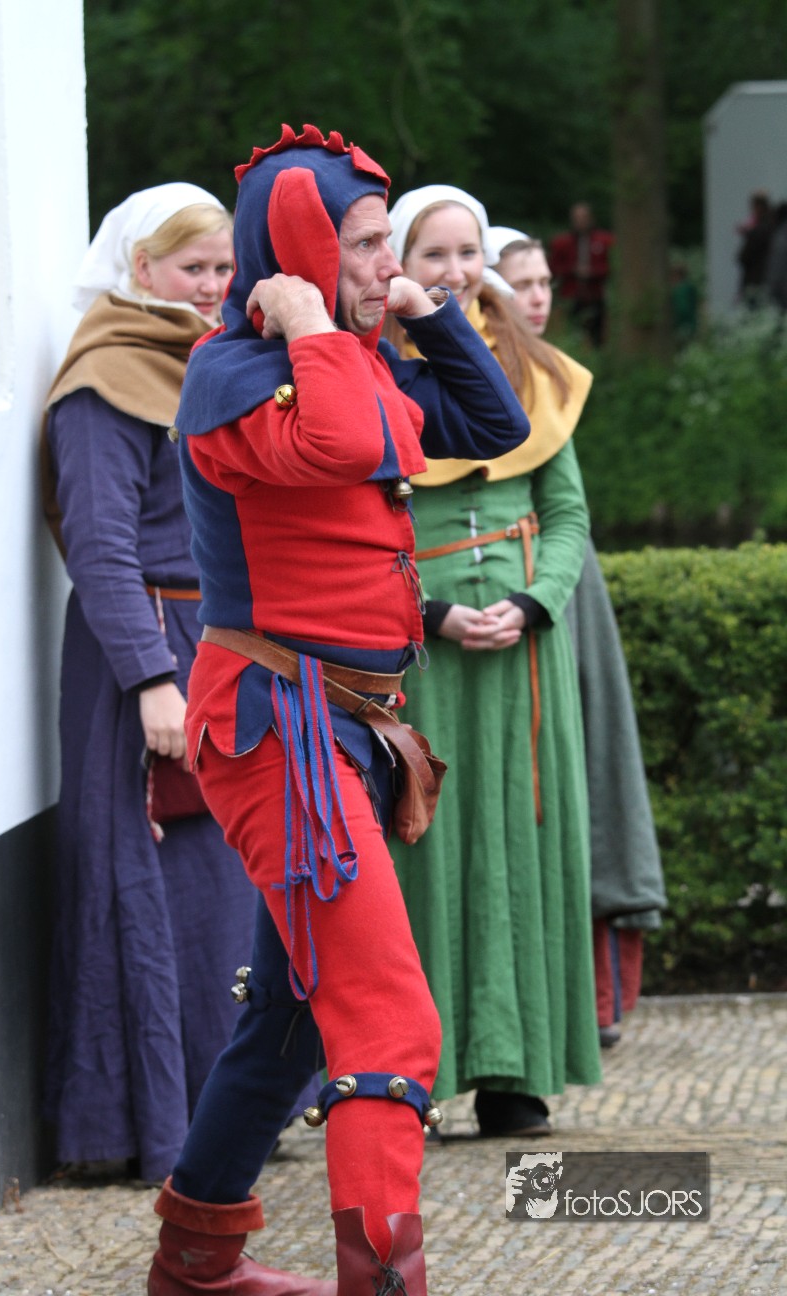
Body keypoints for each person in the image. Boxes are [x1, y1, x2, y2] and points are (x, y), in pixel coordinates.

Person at [144, 125, 530, 1296]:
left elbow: (495, 425)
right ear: (299, 254)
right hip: (278, 729)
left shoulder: (352, 362)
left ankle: (196, 1261)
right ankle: (384, 1280)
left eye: (383, 241)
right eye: (362, 243)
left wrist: (424, 311)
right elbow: (350, 440)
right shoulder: (230, 376)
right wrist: (314, 322)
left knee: (293, 1017)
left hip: (344, 729)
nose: (384, 261)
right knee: (386, 1018)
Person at [41, 184, 260, 1186]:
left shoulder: (209, 361)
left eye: (223, 268)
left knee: (222, 891)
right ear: (139, 268)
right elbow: (99, 546)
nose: (213, 286)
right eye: (193, 269)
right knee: (148, 885)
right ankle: (146, 1128)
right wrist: (152, 679)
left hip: (216, 644)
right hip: (143, 661)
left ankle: (229, 1118)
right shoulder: (105, 378)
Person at [385, 184, 601, 1139]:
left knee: (520, 846)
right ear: (398, 264)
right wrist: (429, 612)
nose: (456, 271)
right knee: (423, 854)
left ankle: (517, 1077)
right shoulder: (374, 372)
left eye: (468, 252)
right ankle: (416, 1078)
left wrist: (534, 600)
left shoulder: (535, 369)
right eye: (433, 254)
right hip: (421, 657)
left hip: (523, 660)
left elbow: (566, 516)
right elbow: (358, 533)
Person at [497, 230, 667, 1048]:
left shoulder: (550, 378)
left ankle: (593, 995)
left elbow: (565, 510)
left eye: (543, 282)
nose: (536, 298)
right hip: (504, 601)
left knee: (587, 778)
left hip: (558, 589)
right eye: (518, 283)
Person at [549, 202, 614, 347]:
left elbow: (612, 266)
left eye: (584, 217)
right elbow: (553, 267)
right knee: (571, 332)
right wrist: (573, 270)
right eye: (577, 218)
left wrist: (593, 272)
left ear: (591, 218)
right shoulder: (562, 243)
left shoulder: (604, 240)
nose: (581, 221)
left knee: (597, 334)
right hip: (571, 295)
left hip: (596, 295)